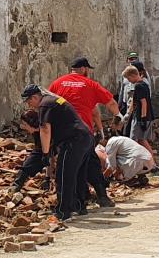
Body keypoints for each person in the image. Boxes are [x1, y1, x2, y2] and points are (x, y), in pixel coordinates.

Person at [49, 57, 119, 209]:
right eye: (88, 69)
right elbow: (111, 103)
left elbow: (48, 104)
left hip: (62, 132)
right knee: (90, 164)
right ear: (83, 69)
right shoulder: (91, 84)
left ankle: (76, 200)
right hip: (83, 132)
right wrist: (118, 116)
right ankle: (100, 197)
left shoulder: (57, 83)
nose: (88, 72)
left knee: (69, 166)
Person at [22, 84, 98, 220]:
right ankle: (79, 206)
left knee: (64, 175)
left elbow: (45, 129)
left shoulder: (44, 105)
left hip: (73, 140)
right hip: (85, 137)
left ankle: (63, 210)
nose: (30, 105)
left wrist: (45, 154)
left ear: (34, 97)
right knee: (78, 174)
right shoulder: (53, 100)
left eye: (29, 102)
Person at [13, 110, 51, 191]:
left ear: (31, 124)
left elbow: (51, 155)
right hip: (44, 149)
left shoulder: (46, 131)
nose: (23, 127)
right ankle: (16, 186)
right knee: (29, 163)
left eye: (25, 125)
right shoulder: (36, 133)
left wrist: (48, 178)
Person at [119, 64, 155, 147]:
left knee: (136, 140)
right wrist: (128, 114)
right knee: (141, 140)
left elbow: (144, 102)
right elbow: (134, 100)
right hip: (141, 116)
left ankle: (148, 155)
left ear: (132, 75)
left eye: (129, 79)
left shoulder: (139, 86)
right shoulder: (143, 84)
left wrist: (143, 119)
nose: (129, 81)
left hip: (141, 117)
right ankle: (148, 155)